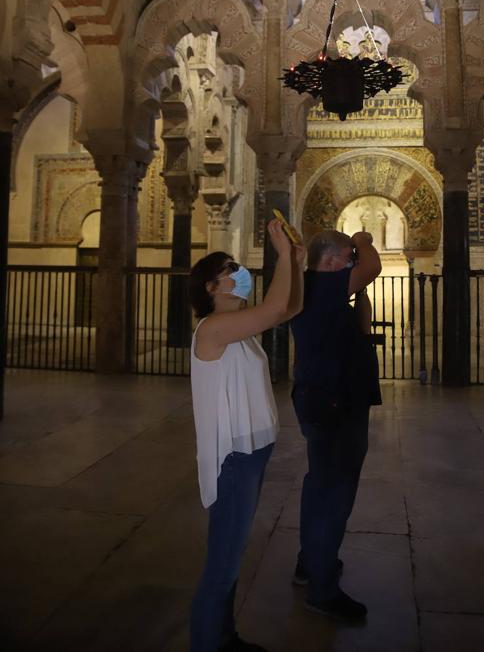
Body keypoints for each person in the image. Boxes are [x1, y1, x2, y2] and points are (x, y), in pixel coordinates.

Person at [189, 220, 305, 652]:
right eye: (230, 268)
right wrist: (280, 255)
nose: (239, 273)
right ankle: (207, 643)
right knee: (222, 564)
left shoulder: (238, 328)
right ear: (210, 287)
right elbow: (276, 309)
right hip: (234, 459)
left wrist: (295, 263)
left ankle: (224, 638)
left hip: (253, 454)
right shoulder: (212, 329)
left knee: (232, 556)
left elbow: (289, 309)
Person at [290, 229, 382, 623]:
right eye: (348, 256)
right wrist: (362, 238)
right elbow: (374, 265)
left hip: (331, 400)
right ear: (329, 260)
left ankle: (310, 563)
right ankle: (323, 590)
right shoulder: (319, 284)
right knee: (336, 494)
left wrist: (359, 295)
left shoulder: (327, 293)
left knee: (321, 485)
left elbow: (361, 329)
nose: (355, 261)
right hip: (334, 404)